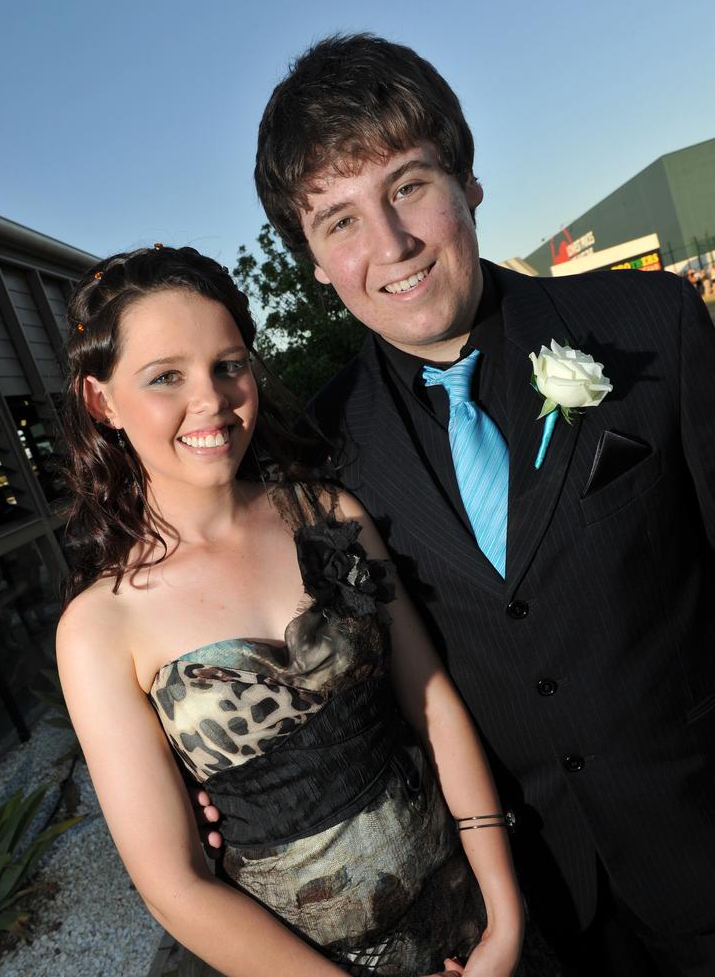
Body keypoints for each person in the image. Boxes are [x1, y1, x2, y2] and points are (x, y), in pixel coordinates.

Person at [237, 34, 715, 977]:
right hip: (523, 917)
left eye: (408, 187)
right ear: (314, 261)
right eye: (340, 222)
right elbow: (349, 679)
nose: (392, 247)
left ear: (468, 182)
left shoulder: (651, 328)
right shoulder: (322, 451)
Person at [55, 245, 526, 977]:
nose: (211, 400)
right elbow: (175, 884)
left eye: (229, 364)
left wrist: (504, 915)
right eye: (166, 377)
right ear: (101, 401)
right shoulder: (98, 628)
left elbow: (430, 701)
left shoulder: (329, 514)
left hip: (467, 922)